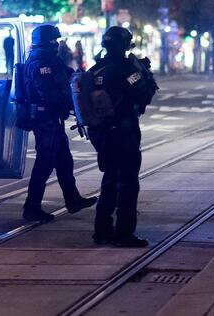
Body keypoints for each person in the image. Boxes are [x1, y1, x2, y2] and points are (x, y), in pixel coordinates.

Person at [23, 24, 96, 222]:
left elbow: (69, 75)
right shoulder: (39, 62)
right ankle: (31, 208)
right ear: (43, 42)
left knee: (64, 161)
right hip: (44, 118)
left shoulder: (51, 59)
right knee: (45, 163)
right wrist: (68, 101)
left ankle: (73, 200)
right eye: (52, 40)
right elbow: (46, 93)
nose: (56, 44)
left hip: (52, 118)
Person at [89, 26, 151, 247]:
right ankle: (124, 233)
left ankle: (102, 230)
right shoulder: (125, 68)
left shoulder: (97, 67)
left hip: (102, 133)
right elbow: (144, 93)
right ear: (125, 45)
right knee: (127, 183)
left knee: (110, 179)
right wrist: (144, 72)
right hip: (123, 132)